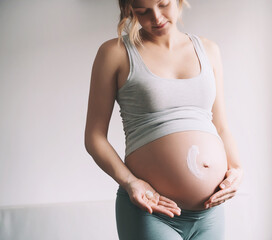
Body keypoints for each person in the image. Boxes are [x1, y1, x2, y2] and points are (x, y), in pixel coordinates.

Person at [84, 0, 244, 239]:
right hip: (150, 211)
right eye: (143, 11)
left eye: (163, 4)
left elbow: (220, 126)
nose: (156, 17)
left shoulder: (209, 50)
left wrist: (237, 169)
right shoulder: (114, 53)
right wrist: (130, 182)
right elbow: (94, 137)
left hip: (210, 212)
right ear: (129, 9)